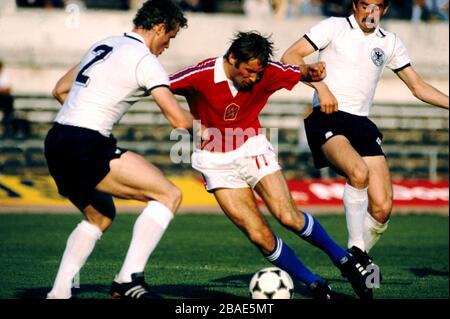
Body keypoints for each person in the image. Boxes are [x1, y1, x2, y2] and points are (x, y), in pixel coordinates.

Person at [170, 31, 373, 299]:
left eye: (258, 73)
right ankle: (316, 285)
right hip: (214, 161)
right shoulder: (201, 74)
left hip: (251, 146)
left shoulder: (266, 72)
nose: (254, 78)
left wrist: (317, 82)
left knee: (288, 216)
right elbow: (158, 87)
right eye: (249, 71)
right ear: (232, 58)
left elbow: (299, 71)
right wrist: (187, 121)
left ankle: (345, 261)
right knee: (259, 235)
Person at [281, 0, 449, 278]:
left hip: (361, 123)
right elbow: (290, 56)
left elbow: (418, 87)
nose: (370, 12)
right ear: (355, 5)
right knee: (358, 173)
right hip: (327, 115)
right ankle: (356, 251)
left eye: (377, 6)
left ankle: (354, 261)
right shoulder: (333, 27)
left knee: (382, 208)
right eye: (365, 4)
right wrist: (320, 87)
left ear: (385, 10)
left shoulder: (390, 42)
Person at [44, 0, 194, 299]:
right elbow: (179, 120)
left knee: (100, 216)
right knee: (169, 195)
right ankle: (127, 279)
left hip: (57, 140)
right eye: (170, 37)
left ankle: (59, 293)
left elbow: (59, 89)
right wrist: (215, 126)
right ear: (160, 27)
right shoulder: (145, 60)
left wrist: (84, 119)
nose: (167, 45)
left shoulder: (105, 44)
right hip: (86, 143)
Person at [0, 60, 14, 138]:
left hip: (4, 98)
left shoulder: (5, 75)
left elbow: (8, 89)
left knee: (8, 101)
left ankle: (8, 127)